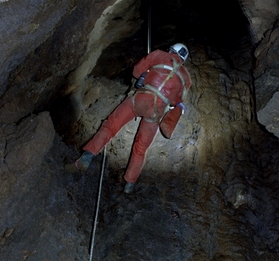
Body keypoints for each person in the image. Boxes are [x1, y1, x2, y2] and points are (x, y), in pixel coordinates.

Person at [72, 43, 192, 193]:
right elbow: (176, 101)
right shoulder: (186, 77)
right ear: (183, 59)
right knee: (141, 148)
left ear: (171, 50)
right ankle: (129, 184)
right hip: (156, 111)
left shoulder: (159, 54)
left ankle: (87, 156)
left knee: (110, 127)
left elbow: (136, 72)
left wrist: (147, 74)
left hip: (140, 99)